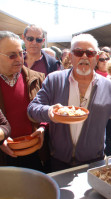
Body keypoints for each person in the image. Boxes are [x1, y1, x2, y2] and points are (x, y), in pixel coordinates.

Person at [27, 34, 111, 172]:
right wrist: (50, 112)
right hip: (59, 162)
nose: (84, 56)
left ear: (96, 58)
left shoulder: (108, 85)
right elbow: (32, 109)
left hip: (95, 163)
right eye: (78, 52)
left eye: (90, 53)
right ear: (71, 57)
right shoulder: (54, 80)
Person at [0, 31, 46, 171]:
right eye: (12, 55)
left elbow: (47, 109)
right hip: (3, 157)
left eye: (21, 53)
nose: (19, 59)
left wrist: (43, 127)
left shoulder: (38, 78)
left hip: (35, 152)